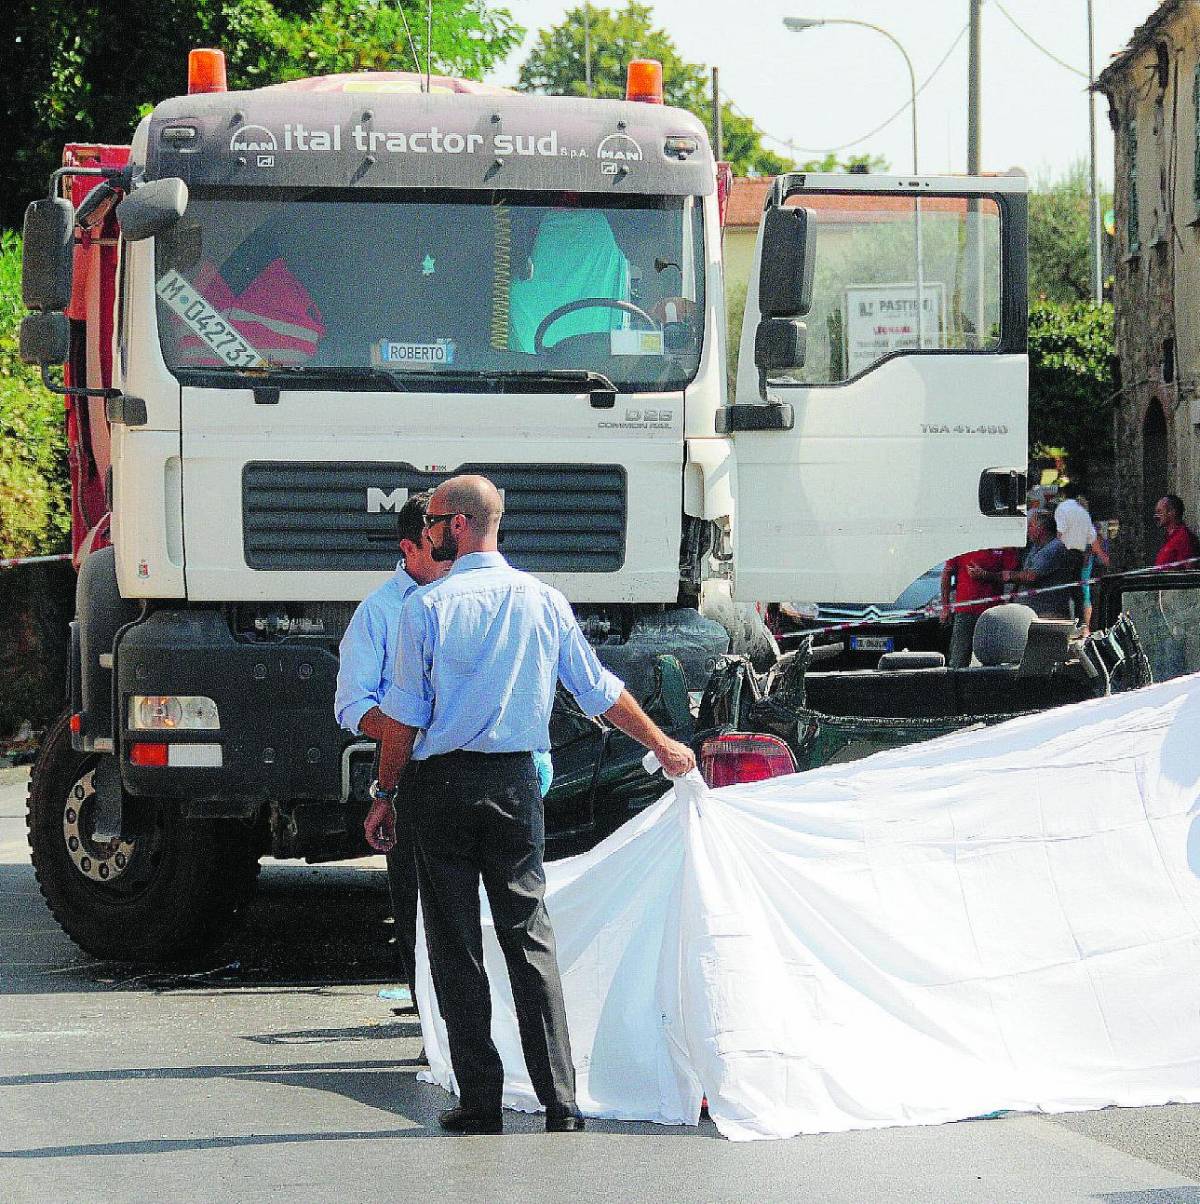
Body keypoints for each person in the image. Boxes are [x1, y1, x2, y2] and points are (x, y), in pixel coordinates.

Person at [365, 474, 695, 1136]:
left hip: (441, 787)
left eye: (431, 520)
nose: (425, 531)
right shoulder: (542, 601)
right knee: (529, 938)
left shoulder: (423, 610)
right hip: (517, 784)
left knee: (455, 944)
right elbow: (598, 691)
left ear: (456, 525)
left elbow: (402, 719)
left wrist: (385, 792)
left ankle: (481, 1100)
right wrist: (662, 742)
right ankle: (561, 1101)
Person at [333, 491, 449, 1004]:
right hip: (414, 773)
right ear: (409, 548)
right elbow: (352, 705)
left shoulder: (470, 597)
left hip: (472, 771)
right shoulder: (380, 612)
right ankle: (433, 1021)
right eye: (435, 546)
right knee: (418, 907)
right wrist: (409, 730)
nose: (447, 555)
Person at [970, 509, 1077, 619]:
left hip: (1048, 614)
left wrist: (987, 575)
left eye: (1031, 526)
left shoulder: (1054, 548)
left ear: (1041, 529)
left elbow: (1029, 576)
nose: (1027, 530)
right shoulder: (1035, 547)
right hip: (1031, 612)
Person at [939, 547, 1020, 668]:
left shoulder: (1003, 545)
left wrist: (986, 575)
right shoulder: (965, 543)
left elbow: (1014, 576)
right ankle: (955, 684)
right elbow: (947, 572)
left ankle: (987, 685)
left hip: (993, 613)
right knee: (959, 656)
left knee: (992, 657)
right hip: (965, 611)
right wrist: (945, 607)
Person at [1153, 494, 1200, 569]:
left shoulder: (1183, 537)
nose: (1156, 516)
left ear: (1172, 512)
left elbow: (1188, 571)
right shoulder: (1169, 538)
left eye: (1159, 512)